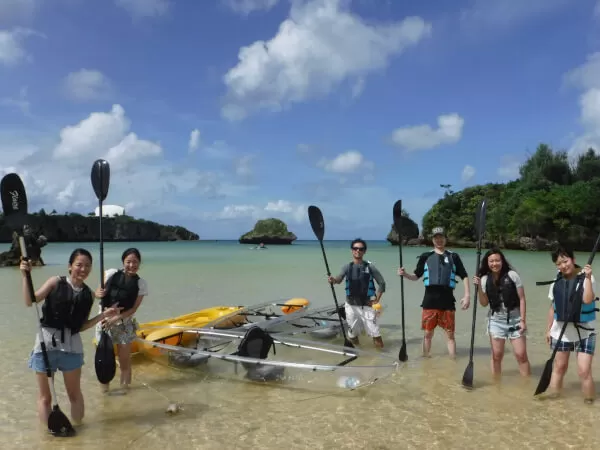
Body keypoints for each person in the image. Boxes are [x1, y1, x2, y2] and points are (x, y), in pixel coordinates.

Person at [20, 248, 120, 431]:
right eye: (79, 265)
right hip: (46, 345)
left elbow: (80, 326)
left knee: (74, 394)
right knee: (46, 398)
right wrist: (25, 276)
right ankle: (50, 437)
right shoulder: (55, 282)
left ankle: (79, 432)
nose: (83, 269)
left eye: (87, 266)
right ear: (69, 266)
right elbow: (30, 301)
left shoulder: (88, 295)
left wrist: (103, 316)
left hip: (72, 349)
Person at [398, 227, 470, 358]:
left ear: (445, 239)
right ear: (432, 240)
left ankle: (453, 361)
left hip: (448, 300)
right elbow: (416, 276)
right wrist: (405, 274)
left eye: (441, 237)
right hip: (429, 300)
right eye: (436, 237)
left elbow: (464, 275)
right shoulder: (426, 256)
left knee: (450, 334)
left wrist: (467, 296)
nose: (439, 240)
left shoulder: (453, 256)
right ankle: (426, 359)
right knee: (428, 334)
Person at [544, 245, 597, 403]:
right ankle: (554, 400)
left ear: (573, 260)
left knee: (583, 370)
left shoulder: (587, 277)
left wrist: (587, 278)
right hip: (560, 331)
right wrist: (548, 330)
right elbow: (552, 308)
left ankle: (589, 402)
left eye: (565, 261)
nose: (563, 266)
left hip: (585, 332)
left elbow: (588, 300)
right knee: (559, 368)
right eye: (559, 264)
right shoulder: (556, 281)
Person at [95, 248, 148, 393]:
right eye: (128, 262)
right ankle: (105, 393)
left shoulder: (141, 284)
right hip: (104, 323)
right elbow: (97, 293)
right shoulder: (111, 274)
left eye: (135, 262)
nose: (132, 265)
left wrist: (117, 317)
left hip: (124, 325)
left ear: (139, 263)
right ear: (123, 262)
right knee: (104, 361)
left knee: (125, 362)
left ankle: (125, 391)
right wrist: (98, 293)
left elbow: (133, 309)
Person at [473, 248, 530, 378]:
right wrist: (478, 290)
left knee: (521, 355)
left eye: (497, 260)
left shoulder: (512, 275)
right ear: (487, 263)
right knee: (496, 355)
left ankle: (526, 384)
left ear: (502, 261)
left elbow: (522, 299)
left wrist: (523, 321)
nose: (495, 263)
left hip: (515, 319)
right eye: (491, 261)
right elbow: (483, 303)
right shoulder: (484, 279)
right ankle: (496, 385)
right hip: (496, 321)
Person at [327, 238, 386, 348]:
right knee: (352, 335)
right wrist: (333, 280)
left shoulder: (370, 267)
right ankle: (359, 353)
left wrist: (377, 300)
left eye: (361, 249)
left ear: (364, 251)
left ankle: (380, 356)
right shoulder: (347, 267)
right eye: (355, 248)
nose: (358, 251)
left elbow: (382, 283)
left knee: (376, 334)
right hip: (351, 306)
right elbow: (338, 280)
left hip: (367, 306)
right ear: (352, 250)